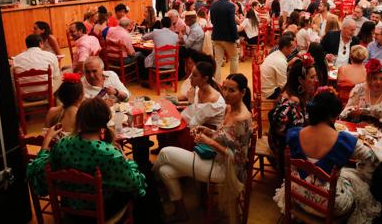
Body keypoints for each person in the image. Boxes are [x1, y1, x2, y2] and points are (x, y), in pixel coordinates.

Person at [27, 97, 160, 224]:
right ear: (106, 120)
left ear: (79, 119)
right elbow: (135, 184)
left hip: (71, 210)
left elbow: (38, 171)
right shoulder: (110, 154)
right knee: (146, 175)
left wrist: (45, 144)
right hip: (101, 212)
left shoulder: (62, 144)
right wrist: (125, 158)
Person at [153, 73, 252, 222]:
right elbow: (224, 137)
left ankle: (150, 186)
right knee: (165, 171)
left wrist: (209, 142)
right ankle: (181, 211)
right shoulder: (229, 109)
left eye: (231, 90)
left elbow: (239, 157)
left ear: (243, 92)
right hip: (214, 158)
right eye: (224, 89)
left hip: (226, 169)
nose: (225, 94)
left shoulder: (242, 119)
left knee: (165, 152)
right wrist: (207, 131)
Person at [274, 89, 379, 223]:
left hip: (298, 196)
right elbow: (371, 158)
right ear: (332, 116)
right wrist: (361, 170)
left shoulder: (295, 134)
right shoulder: (345, 141)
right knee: (359, 189)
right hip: (330, 205)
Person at [268, 55, 318, 176]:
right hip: (283, 149)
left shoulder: (295, 92)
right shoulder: (292, 103)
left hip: (288, 141)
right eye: (312, 77)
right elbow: (292, 140)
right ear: (300, 80)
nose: (316, 80)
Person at [340, 59, 382, 130]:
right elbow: (345, 112)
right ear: (369, 78)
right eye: (374, 78)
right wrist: (352, 113)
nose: (378, 82)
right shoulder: (359, 90)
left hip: (380, 133)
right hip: (357, 129)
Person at [181, 62, 226, 129]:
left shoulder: (213, 100)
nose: (190, 78)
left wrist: (190, 102)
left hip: (207, 132)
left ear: (205, 78)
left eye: (195, 75)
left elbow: (193, 124)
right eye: (191, 74)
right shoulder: (198, 88)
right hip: (198, 124)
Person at [210, 0, 239, 83]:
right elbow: (232, 24)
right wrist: (236, 38)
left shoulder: (213, 5)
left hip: (216, 36)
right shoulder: (230, 6)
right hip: (228, 38)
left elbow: (212, 21)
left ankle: (217, 84)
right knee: (234, 58)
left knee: (217, 62)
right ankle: (232, 81)